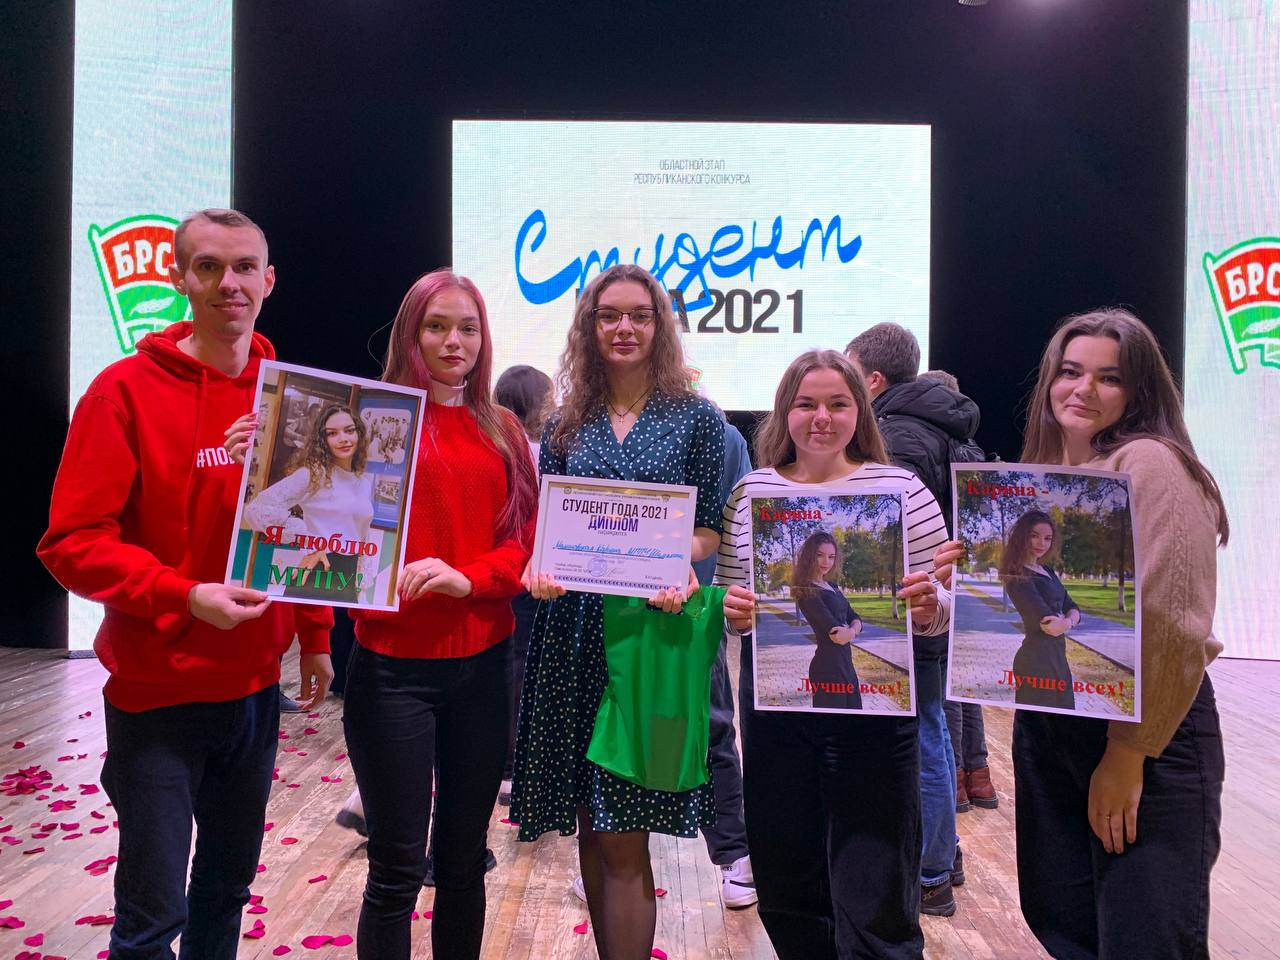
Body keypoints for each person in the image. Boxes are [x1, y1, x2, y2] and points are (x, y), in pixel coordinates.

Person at [37, 208, 334, 960]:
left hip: (254, 692)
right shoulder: (121, 393)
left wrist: (313, 634)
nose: (228, 283)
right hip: (156, 695)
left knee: (225, 894)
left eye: (244, 267)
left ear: (269, 281)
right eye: (208, 266)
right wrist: (184, 595)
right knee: (151, 916)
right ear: (179, 278)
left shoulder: (294, 402)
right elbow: (71, 543)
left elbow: (313, 529)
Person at [936, 307, 1229, 959]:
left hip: (1144, 732)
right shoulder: (1045, 473)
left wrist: (1128, 752)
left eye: (1109, 377)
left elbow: (1172, 621)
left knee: (1144, 936)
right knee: (1066, 925)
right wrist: (961, 580)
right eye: (1071, 372)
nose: (1083, 389)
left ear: (1140, 391)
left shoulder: (1149, 461)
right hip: (1052, 720)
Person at [514, 264, 726, 960]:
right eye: (609, 315)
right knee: (590, 815)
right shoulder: (564, 422)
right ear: (590, 325)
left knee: (623, 827)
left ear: (659, 324)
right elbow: (551, 529)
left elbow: (708, 531)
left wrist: (673, 561)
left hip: (646, 628)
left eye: (639, 314)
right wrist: (540, 568)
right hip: (571, 630)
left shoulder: (697, 418)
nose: (624, 327)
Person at [717, 349, 949, 960]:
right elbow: (729, 596)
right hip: (778, 720)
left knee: (879, 882)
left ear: (860, 412)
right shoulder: (751, 492)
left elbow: (944, 606)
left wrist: (931, 607)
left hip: (876, 726)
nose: (822, 417)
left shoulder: (902, 490)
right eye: (807, 404)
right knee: (788, 879)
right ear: (784, 412)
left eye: (838, 404)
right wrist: (732, 611)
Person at [340, 269, 538, 960]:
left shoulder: (503, 429)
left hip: (483, 671)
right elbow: (322, 528)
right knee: (396, 869)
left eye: (469, 328)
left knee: (462, 864)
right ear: (410, 334)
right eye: (437, 326)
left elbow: (523, 543)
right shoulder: (367, 422)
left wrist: (468, 579)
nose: (455, 342)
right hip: (391, 673)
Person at [845, 324, 976, 915]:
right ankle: (943, 857)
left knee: (923, 731)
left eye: (849, 378)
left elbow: (884, 535)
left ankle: (930, 872)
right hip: (940, 601)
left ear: (873, 379)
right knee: (935, 725)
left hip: (913, 604)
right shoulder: (947, 427)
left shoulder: (896, 438)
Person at [241, 403, 377, 604]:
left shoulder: (364, 483)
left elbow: (361, 535)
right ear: (323, 440)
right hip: (317, 575)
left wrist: (360, 588)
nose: (343, 439)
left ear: (359, 434)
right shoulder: (314, 474)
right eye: (332, 433)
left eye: (349, 430)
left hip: (348, 580)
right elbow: (256, 509)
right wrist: (311, 543)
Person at [494, 364, 554, 805]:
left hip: (503, 570)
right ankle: (515, 766)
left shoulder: (495, 447)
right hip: (534, 572)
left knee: (508, 665)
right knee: (523, 667)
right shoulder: (540, 452)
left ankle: (509, 764)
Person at [999, 509, 1081, 710]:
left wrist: (1067, 621)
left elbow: (1073, 607)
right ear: (1022, 536)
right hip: (1035, 662)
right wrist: (1067, 620)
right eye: (1034, 536)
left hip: (1059, 659)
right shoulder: (1017, 575)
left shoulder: (1048, 571)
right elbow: (1049, 625)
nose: (1041, 543)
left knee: (1065, 720)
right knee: (1037, 725)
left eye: (1047, 538)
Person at [792, 532, 865, 710]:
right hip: (827, 669)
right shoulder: (807, 591)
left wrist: (851, 630)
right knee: (833, 723)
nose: (826, 562)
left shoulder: (833, 586)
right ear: (810, 556)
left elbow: (855, 617)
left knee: (856, 717)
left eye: (831, 557)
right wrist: (851, 629)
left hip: (846, 665)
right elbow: (837, 634)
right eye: (820, 555)